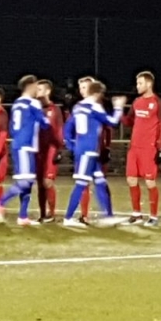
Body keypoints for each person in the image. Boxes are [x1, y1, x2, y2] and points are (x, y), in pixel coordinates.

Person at [0, 75, 50, 226]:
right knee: (25, 182)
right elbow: (45, 123)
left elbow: (12, 127)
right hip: (26, 145)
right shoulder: (33, 103)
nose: (37, 89)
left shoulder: (17, 103)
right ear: (30, 86)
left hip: (20, 144)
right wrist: (46, 117)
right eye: (36, 85)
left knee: (27, 182)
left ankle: (23, 216)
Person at [62, 81, 126, 228]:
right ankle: (68, 217)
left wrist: (73, 146)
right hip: (88, 150)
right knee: (81, 184)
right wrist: (118, 107)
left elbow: (67, 128)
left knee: (100, 181)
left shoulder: (78, 106)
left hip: (85, 149)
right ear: (98, 93)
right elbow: (112, 122)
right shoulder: (94, 107)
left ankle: (108, 215)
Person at [122, 71, 161, 227]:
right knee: (131, 179)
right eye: (137, 83)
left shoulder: (158, 103)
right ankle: (136, 214)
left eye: (140, 83)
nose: (137, 86)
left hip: (149, 149)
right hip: (134, 148)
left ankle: (153, 216)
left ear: (149, 84)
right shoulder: (136, 102)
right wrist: (119, 111)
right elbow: (129, 121)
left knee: (149, 182)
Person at [35, 79, 65, 223]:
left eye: (40, 89)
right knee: (40, 184)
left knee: (48, 182)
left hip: (51, 150)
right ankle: (42, 214)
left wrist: (59, 149)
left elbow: (59, 131)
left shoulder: (55, 110)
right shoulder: (34, 109)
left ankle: (51, 213)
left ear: (48, 91)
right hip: (37, 150)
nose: (37, 92)